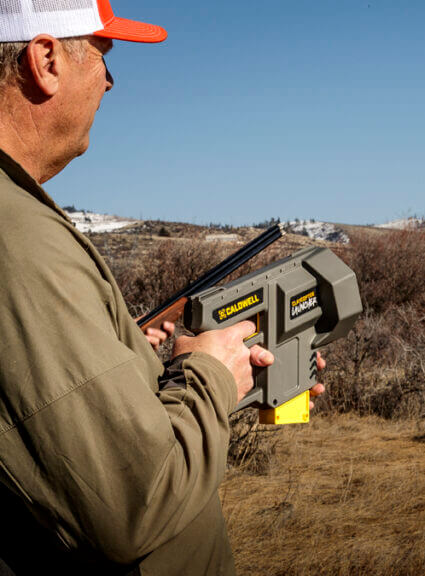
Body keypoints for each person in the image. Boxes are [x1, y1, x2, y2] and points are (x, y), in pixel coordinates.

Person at [0, 2, 323, 574]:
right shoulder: (18, 239)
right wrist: (210, 373)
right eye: (103, 57)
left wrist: (139, 365)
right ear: (45, 59)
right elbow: (135, 500)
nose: (108, 81)